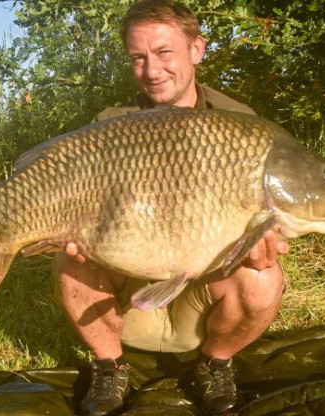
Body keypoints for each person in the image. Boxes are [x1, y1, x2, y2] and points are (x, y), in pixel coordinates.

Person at [55, 1, 288, 414]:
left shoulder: (237, 122)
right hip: (131, 296)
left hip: (201, 300)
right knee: (71, 259)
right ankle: (109, 367)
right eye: (138, 58)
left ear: (196, 49)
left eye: (164, 53)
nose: (152, 70)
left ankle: (215, 364)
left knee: (265, 275)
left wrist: (262, 239)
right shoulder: (112, 124)